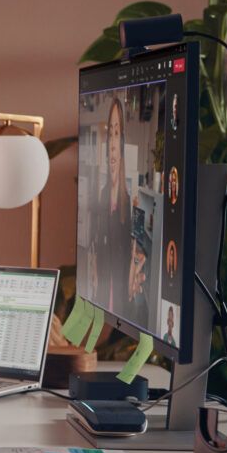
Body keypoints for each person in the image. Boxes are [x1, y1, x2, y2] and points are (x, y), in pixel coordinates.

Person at [90, 97, 134, 313]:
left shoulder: (128, 199)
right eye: (110, 134)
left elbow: (131, 246)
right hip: (102, 285)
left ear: (122, 142)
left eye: (117, 133)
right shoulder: (103, 194)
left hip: (120, 290)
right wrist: (94, 271)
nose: (113, 143)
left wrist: (132, 273)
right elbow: (96, 238)